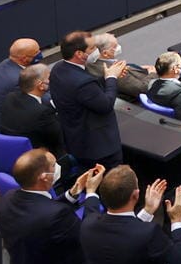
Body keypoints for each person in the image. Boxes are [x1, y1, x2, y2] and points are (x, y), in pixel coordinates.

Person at [51, 30, 126, 169]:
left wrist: (106, 78)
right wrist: (111, 78)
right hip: (99, 148)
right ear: (79, 54)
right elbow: (106, 105)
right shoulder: (83, 83)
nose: (97, 50)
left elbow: (85, 93)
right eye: (92, 48)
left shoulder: (58, 68)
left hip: (76, 140)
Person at [0, 64, 62, 157]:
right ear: (41, 86)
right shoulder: (42, 113)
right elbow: (58, 137)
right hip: (39, 158)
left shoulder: (10, 97)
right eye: (49, 78)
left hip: (12, 152)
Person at [0, 37, 41, 128]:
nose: (39, 54)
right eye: (36, 52)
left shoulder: (4, 64)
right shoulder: (18, 80)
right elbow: (35, 102)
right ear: (24, 59)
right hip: (0, 129)